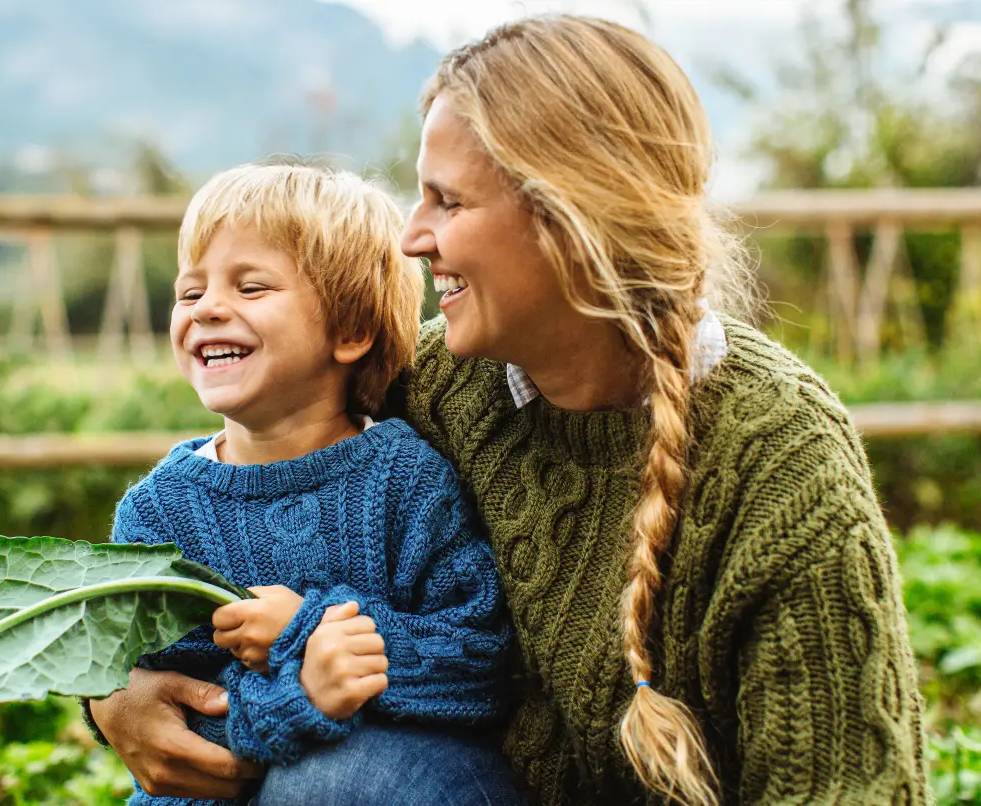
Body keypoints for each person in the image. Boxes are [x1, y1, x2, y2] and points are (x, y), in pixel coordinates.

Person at [90, 15, 928, 806]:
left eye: (447, 201)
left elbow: (851, 784)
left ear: (570, 217)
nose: (412, 238)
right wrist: (113, 696)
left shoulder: (780, 460)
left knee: (338, 780)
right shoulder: (438, 387)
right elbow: (258, 461)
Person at [85, 163, 519, 806]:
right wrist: (302, 690)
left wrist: (313, 632)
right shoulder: (159, 512)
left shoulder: (405, 479)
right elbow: (164, 721)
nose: (208, 309)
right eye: (190, 292)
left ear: (350, 331)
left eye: (251, 286)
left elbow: (479, 661)